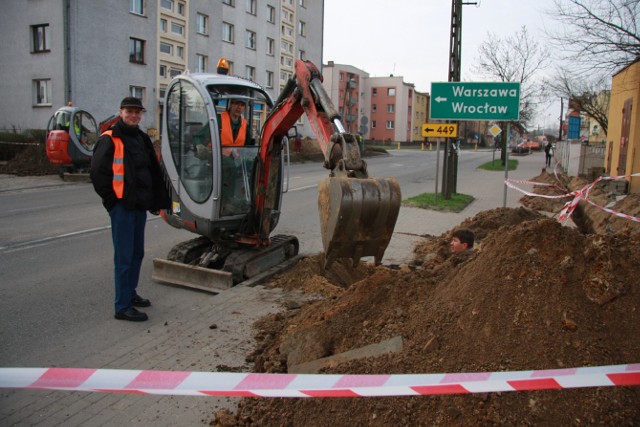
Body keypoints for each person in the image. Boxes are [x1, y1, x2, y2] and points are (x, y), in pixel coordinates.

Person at [91, 97, 171, 322]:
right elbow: (98, 174)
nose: (134, 115)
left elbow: (151, 172)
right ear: (121, 112)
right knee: (124, 257)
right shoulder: (110, 138)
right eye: (130, 111)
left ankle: (130, 294)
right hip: (122, 208)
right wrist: (112, 202)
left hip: (138, 207)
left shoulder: (141, 138)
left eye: (137, 112)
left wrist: (155, 201)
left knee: (137, 253)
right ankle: (122, 306)